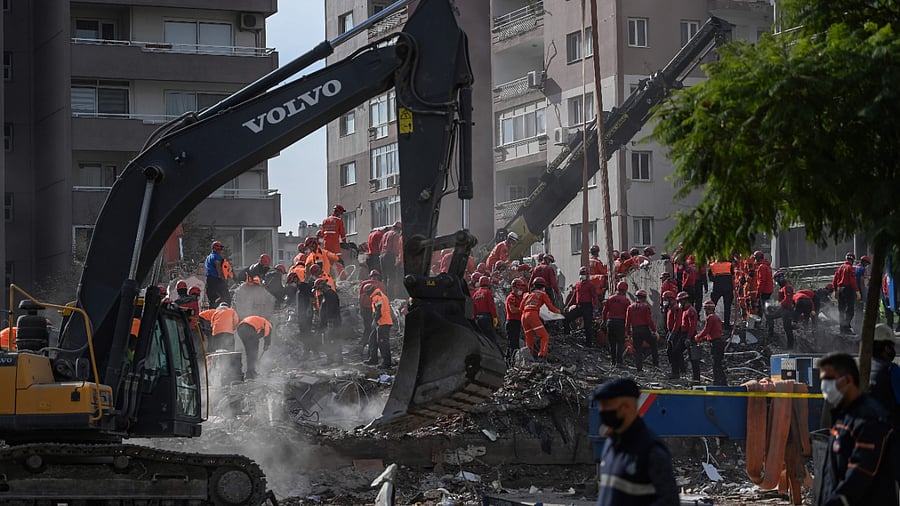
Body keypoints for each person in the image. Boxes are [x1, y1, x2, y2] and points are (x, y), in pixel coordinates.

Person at [817, 352, 897, 506]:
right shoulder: (844, 417)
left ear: (847, 379)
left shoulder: (869, 418)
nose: (824, 386)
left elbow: (862, 469)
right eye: (822, 380)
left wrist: (838, 500)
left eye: (829, 379)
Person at [592, 378, 679, 506]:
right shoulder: (610, 445)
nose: (601, 411)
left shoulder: (650, 451)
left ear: (627, 406)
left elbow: (670, 502)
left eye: (607, 405)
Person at [520, 276, 561, 360]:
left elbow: (521, 307)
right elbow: (551, 308)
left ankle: (529, 356)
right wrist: (559, 312)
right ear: (543, 286)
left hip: (523, 316)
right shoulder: (543, 294)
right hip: (532, 315)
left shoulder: (528, 295)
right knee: (544, 336)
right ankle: (542, 355)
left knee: (529, 337)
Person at [564, 267, 599, 347]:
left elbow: (594, 297)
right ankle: (567, 336)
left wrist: (595, 307)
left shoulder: (590, 285)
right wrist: (568, 305)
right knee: (566, 319)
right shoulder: (577, 284)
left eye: (584, 274)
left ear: (587, 275)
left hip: (587, 306)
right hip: (579, 306)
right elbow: (574, 296)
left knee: (588, 326)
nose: (582, 276)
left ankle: (589, 344)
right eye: (581, 274)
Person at [625, 289, 658, 372]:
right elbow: (649, 320)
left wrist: (628, 332)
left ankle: (639, 368)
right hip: (644, 329)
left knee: (638, 350)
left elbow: (627, 321)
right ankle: (655, 365)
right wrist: (654, 330)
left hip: (635, 330)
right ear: (644, 298)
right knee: (653, 344)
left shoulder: (630, 307)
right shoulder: (645, 307)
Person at [695, 300, 726, 385]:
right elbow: (713, 332)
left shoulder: (710, 318)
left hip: (716, 344)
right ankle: (722, 382)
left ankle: (718, 382)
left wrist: (698, 337)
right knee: (718, 364)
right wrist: (704, 339)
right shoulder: (716, 317)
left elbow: (706, 330)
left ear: (707, 309)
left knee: (716, 364)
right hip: (719, 343)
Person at [314, 277, 343, 364]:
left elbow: (331, 310)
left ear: (322, 287)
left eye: (319, 289)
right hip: (328, 323)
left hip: (333, 322)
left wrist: (330, 322)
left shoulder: (331, 295)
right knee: (328, 341)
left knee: (334, 340)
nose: (319, 291)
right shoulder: (326, 295)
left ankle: (338, 360)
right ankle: (330, 359)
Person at [365, 283, 393, 367]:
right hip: (379, 322)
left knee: (383, 343)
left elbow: (379, 312)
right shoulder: (376, 296)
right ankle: (373, 359)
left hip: (383, 323)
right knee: (372, 340)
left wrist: (375, 320)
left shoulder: (378, 297)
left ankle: (387, 363)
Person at [603, 281, 630, 367]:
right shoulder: (626, 300)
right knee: (620, 343)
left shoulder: (610, 298)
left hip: (610, 322)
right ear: (625, 290)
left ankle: (613, 361)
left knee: (612, 343)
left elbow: (604, 311)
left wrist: (604, 321)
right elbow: (628, 314)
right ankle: (619, 362)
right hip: (620, 323)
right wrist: (628, 326)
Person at [235, 315, 271, 380]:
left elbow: (257, 336)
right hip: (249, 328)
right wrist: (267, 344)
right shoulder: (267, 323)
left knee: (249, 351)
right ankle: (251, 373)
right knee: (253, 351)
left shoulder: (260, 321)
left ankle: (250, 372)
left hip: (240, 329)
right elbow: (267, 333)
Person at [833, 252, 860, 335]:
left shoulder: (840, 267)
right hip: (848, 289)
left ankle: (842, 329)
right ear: (853, 260)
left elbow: (834, 280)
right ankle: (846, 327)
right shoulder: (850, 268)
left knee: (841, 310)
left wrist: (836, 291)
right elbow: (852, 280)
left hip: (840, 289)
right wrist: (857, 291)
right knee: (850, 310)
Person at [359, 270, 387, 348]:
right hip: (375, 309)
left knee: (367, 327)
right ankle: (371, 344)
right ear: (378, 276)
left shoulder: (364, 284)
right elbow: (383, 299)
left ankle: (364, 343)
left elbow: (361, 297)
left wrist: (361, 308)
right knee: (375, 328)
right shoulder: (381, 285)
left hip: (365, 308)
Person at [472, 275, 500, 348]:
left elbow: (473, 309)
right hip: (487, 318)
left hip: (478, 319)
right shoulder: (487, 292)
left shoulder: (475, 294)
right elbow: (491, 306)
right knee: (491, 339)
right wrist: (495, 317)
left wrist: (475, 318)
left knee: (482, 339)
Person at [708, 257, 734, 329]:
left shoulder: (713, 265)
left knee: (712, 305)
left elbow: (710, 277)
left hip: (717, 288)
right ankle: (726, 324)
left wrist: (716, 280)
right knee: (727, 307)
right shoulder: (729, 265)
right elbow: (733, 275)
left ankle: (710, 322)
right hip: (728, 288)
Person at [505, 278, 526, 363]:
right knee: (513, 344)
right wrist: (523, 309)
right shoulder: (512, 297)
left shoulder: (519, 298)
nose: (520, 290)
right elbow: (512, 309)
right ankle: (512, 362)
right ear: (514, 287)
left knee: (513, 343)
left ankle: (509, 361)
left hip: (517, 322)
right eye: (519, 287)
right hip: (512, 322)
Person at [380, 222, 403, 298]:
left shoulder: (385, 234)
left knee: (384, 277)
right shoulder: (396, 235)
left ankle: (384, 294)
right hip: (390, 255)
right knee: (391, 277)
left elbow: (380, 245)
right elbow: (396, 247)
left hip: (382, 255)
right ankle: (390, 297)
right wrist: (397, 258)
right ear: (399, 229)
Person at [205, 241, 229, 307]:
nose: (220, 251)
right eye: (219, 249)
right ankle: (225, 312)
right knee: (226, 297)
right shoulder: (216, 257)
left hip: (209, 280)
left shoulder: (209, 257)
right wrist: (222, 277)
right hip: (216, 279)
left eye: (221, 249)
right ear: (215, 249)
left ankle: (212, 314)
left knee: (212, 300)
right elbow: (218, 266)